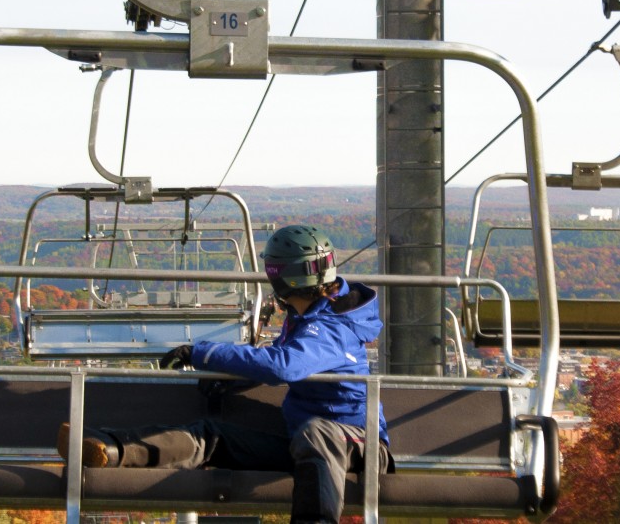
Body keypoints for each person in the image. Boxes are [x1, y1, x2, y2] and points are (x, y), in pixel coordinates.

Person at [57, 224, 389, 524]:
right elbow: (286, 361)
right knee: (211, 435)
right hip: (302, 446)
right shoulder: (309, 316)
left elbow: (283, 365)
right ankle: (114, 449)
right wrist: (231, 378)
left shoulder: (332, 325)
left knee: (317, 433)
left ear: (279, 277)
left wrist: (203, 353)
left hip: (359, 444)